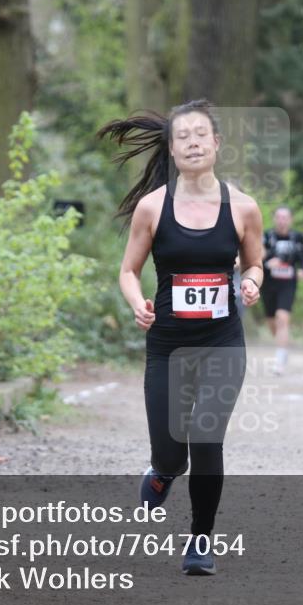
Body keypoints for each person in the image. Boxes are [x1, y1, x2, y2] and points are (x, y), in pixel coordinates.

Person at [100, 99, 264, 576]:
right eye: (182, 136)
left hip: (222, 343)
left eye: (201, 134)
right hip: (169, 344)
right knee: (171, 450)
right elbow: (128, 272)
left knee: (206, 436)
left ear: (216, 143)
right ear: (171, 149)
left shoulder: (244, 208)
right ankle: (163, 471)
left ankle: (200, 541)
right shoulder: (153, 208)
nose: (192, 142)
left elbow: (253, 262)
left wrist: (252, 281)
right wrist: (137, 304)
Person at [261, 206, 303, 374]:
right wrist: (267, 264)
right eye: (279, 217)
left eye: (285, 217)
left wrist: (302, 269)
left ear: (290, 219)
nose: (282, 220)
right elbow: (258, 257)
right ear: (274, 219)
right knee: (272, 322)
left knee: (282, 317)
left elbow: (302, 256)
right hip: (269, 283)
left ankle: (279, 360)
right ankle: (283, 347)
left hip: (288, 283)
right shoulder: (266, 236)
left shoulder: (297, 237)